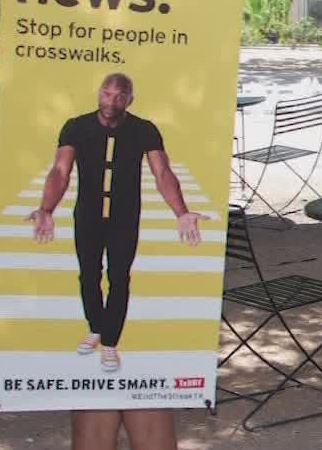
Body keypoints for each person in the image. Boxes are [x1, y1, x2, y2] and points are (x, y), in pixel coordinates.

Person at [31, 72, 202, 374]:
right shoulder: (76, 126)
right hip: (87, 215)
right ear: (99, 94)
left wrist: (181, 212)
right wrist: (46, 208)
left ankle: (110, 343)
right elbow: (60, 170)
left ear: (129, 99)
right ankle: (96, 327)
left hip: (124, 217)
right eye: (107, 94)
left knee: (119, 277)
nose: (112, 100)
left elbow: (162, 173)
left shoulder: (144, 130)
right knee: (88, 275)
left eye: (120, 95)